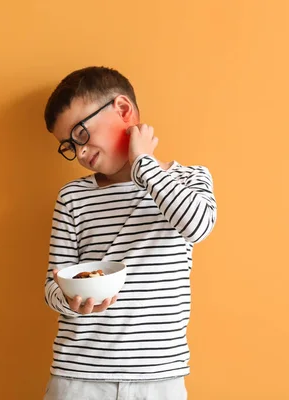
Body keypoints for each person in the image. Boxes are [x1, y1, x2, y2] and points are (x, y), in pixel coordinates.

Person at [42, 66, 217, 400]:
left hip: (158, 377)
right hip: (80, 375)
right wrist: (69, 299)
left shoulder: (189, 179)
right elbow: (53, 284)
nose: (78, 153)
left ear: (123, 110)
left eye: (80, 134)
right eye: (68, 145)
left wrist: (144, 164)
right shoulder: (73, 198)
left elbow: (198, 225)